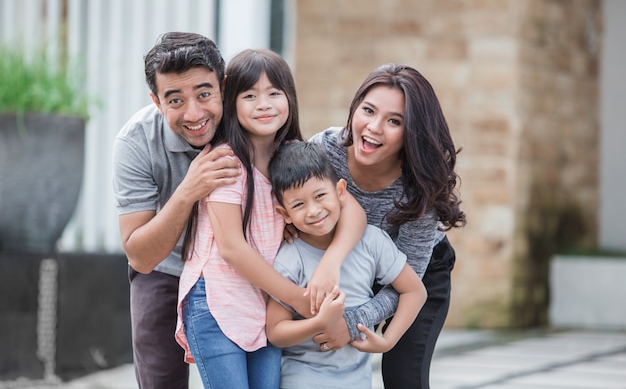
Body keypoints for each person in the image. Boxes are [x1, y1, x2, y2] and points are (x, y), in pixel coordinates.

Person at [174, 49, 366, 389]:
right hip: (218, 301)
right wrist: (297, 298)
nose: (264, 104)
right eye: (250, 96)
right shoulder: (226, 161)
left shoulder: (293, 155)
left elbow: (353, 210)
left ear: (289, 98)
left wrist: (329, 263)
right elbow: (232, 248)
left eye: (274, 93)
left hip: (266, 303)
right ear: (231, 102)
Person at [309, 63, 466, 389]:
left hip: (416, 276)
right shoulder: (323, 152)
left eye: (394, 121)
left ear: (412, 132)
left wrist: (351, 324)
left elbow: (407, 284)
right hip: (346, 267)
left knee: (402, 379)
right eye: (368, 110)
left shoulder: (420, 186)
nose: (374, 127)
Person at [112, 32, 241, 389]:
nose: (194, 114)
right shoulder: (135, 142)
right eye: (175, 100)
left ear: (223, 87)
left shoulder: (249, 121)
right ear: (156, 101)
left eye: (204, 94)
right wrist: (189, 190)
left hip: (242, 266)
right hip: (166, 269)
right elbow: (140, 256)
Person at [266, 141, 427, 389]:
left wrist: (388, 340)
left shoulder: (371, 241)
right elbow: (275, 332)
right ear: (284, 214)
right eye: (298, 204)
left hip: (358, 380)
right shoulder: (289, 259)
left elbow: (414, 290)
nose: (313, 211)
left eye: (320, 196)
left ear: (341, 191)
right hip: (302, 378)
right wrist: (319, 323)